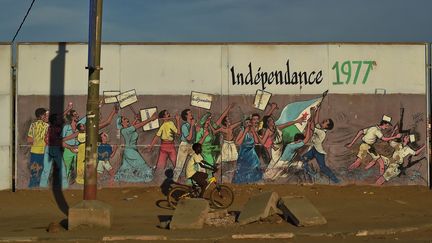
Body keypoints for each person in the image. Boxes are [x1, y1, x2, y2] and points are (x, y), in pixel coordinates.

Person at [264, 116, 313, 180]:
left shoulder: (293, 144)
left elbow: (305, 137)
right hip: (281, 161)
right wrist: (308, 125)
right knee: (268, 176)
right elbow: (306, 139)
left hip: (286, 163)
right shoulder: (292, 146)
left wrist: (301, 122)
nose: (273, 121)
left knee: (299, 165)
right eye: (270, 120)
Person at [301, 106, 339, 183]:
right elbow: (315, 122)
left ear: (327, 126)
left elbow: (312, 126)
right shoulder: (320, 128)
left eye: (325, 122)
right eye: (324, 120)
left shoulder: (322, 133)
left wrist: (312, 113)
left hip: (318, 152)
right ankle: (311, 174)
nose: (323, 121)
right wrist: (318, 111)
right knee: (303, 159)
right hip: (313, 149)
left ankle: (336, 180)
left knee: (323, 168)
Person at [114, 113, 157, 183]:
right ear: (122, 123)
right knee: (142, 165)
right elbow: (138, 126)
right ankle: (147, 178)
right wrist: (150, 119)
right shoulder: (124, 131)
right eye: (124, 119)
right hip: (130, 151)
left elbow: (133, 127)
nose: (127, 119)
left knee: (124, 169)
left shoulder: (128, 129)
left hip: (130, 151)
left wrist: (136, 119)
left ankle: (116, 180)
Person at [232, 118, 263, 184]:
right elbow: (237, 143)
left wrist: (253, 132)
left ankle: (251, 181)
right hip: (244, 153)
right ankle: (243, 182)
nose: (248, 124)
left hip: (251, 153)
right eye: (246, 123)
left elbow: (256, 141)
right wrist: (245, 132)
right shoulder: (242, 131)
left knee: (255, 166)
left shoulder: (253, 131)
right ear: (244, 125)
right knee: (243, 168)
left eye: (249, 123)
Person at [27, 107, 49, 188]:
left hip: (34, 151)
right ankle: (36, 188)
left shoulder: (32, 125)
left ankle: (32, 188)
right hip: (43, 151)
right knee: (41, 171)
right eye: (46, 115)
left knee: (34, 170)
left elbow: (29, 139)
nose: (47, 117)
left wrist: (35, 141)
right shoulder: (47, 126)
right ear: (42, 116)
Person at [173, 109, 196, 182]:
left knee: (198, 160)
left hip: (192, 145)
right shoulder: (184, 126)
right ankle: (174, 181)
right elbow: (189, 138)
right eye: (190, 113)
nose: (191, 114)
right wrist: (192, 126)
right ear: (186, 116)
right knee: (179, 166)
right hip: (184, 145)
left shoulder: (193, 125)